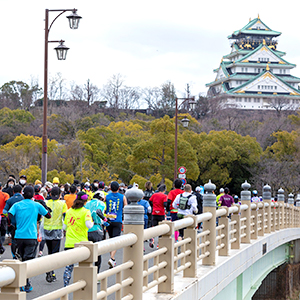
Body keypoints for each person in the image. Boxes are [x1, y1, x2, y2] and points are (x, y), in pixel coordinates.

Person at [8, 186, 51, 293]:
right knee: (28, 261)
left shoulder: (17, 205)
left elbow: (9, 215)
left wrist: (15, 222)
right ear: (32, 195)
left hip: (19, 236)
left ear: (22, 194)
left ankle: (22, 283)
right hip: (31, 236)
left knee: (20, 259)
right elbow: (48, 215)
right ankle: (26, 283)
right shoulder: (36, 205)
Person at [63, 192, 93, 287]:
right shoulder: (86, 211)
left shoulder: (69, 211)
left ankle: (65, 288)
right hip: (82, 243)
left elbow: (64, 227)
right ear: (85, 201)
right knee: (83, 266)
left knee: (68, 267)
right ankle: (82, 286)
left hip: (69, 242)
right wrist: (93, 222)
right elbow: (89, 225)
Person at [43, 186, 67, 283]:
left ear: (50, 194)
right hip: (57, 229)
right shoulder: (62, 204)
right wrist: (65, 228)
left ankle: (50, 271)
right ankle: (50, 271)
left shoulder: (46, 203)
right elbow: (65, 216)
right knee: (55, 252)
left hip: (46, 228)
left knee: (49, 251)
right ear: (60, 195)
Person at [105, 181, 127, 268]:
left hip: (109, 220)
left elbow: (103, 206)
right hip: (118, 220)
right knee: (115, 239)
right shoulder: (122, 197)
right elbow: (126, 207)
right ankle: (112, 258)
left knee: (111, 238)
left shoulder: (107, 196)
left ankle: (112, 259)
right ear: (119, 188)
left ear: (110, 188)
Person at [85, 190, 106, 275]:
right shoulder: (101, 204)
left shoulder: (87, 203)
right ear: (101, 198)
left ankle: (88, 273)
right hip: (97, 228)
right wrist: (105, 219)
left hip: (87, 229)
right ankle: (96, 274)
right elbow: (99, 212)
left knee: (87, 252)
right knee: (98, 253)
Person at [3, 184, 24, 258]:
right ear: (21, 191)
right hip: (22, 223)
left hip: (12, 223)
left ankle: (14, 255)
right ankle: (21, 254)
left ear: (13, 191)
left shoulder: (10, 200)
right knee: (22, 239)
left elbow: (4, 211)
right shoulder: (24, 199)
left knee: (13, 241)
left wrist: (8, 219)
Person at [0, 182, 10, 251]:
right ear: (1, 187)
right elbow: (7, 203)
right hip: (2, 216)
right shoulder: (5, 195)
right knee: (2, 233)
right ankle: (0, 245)